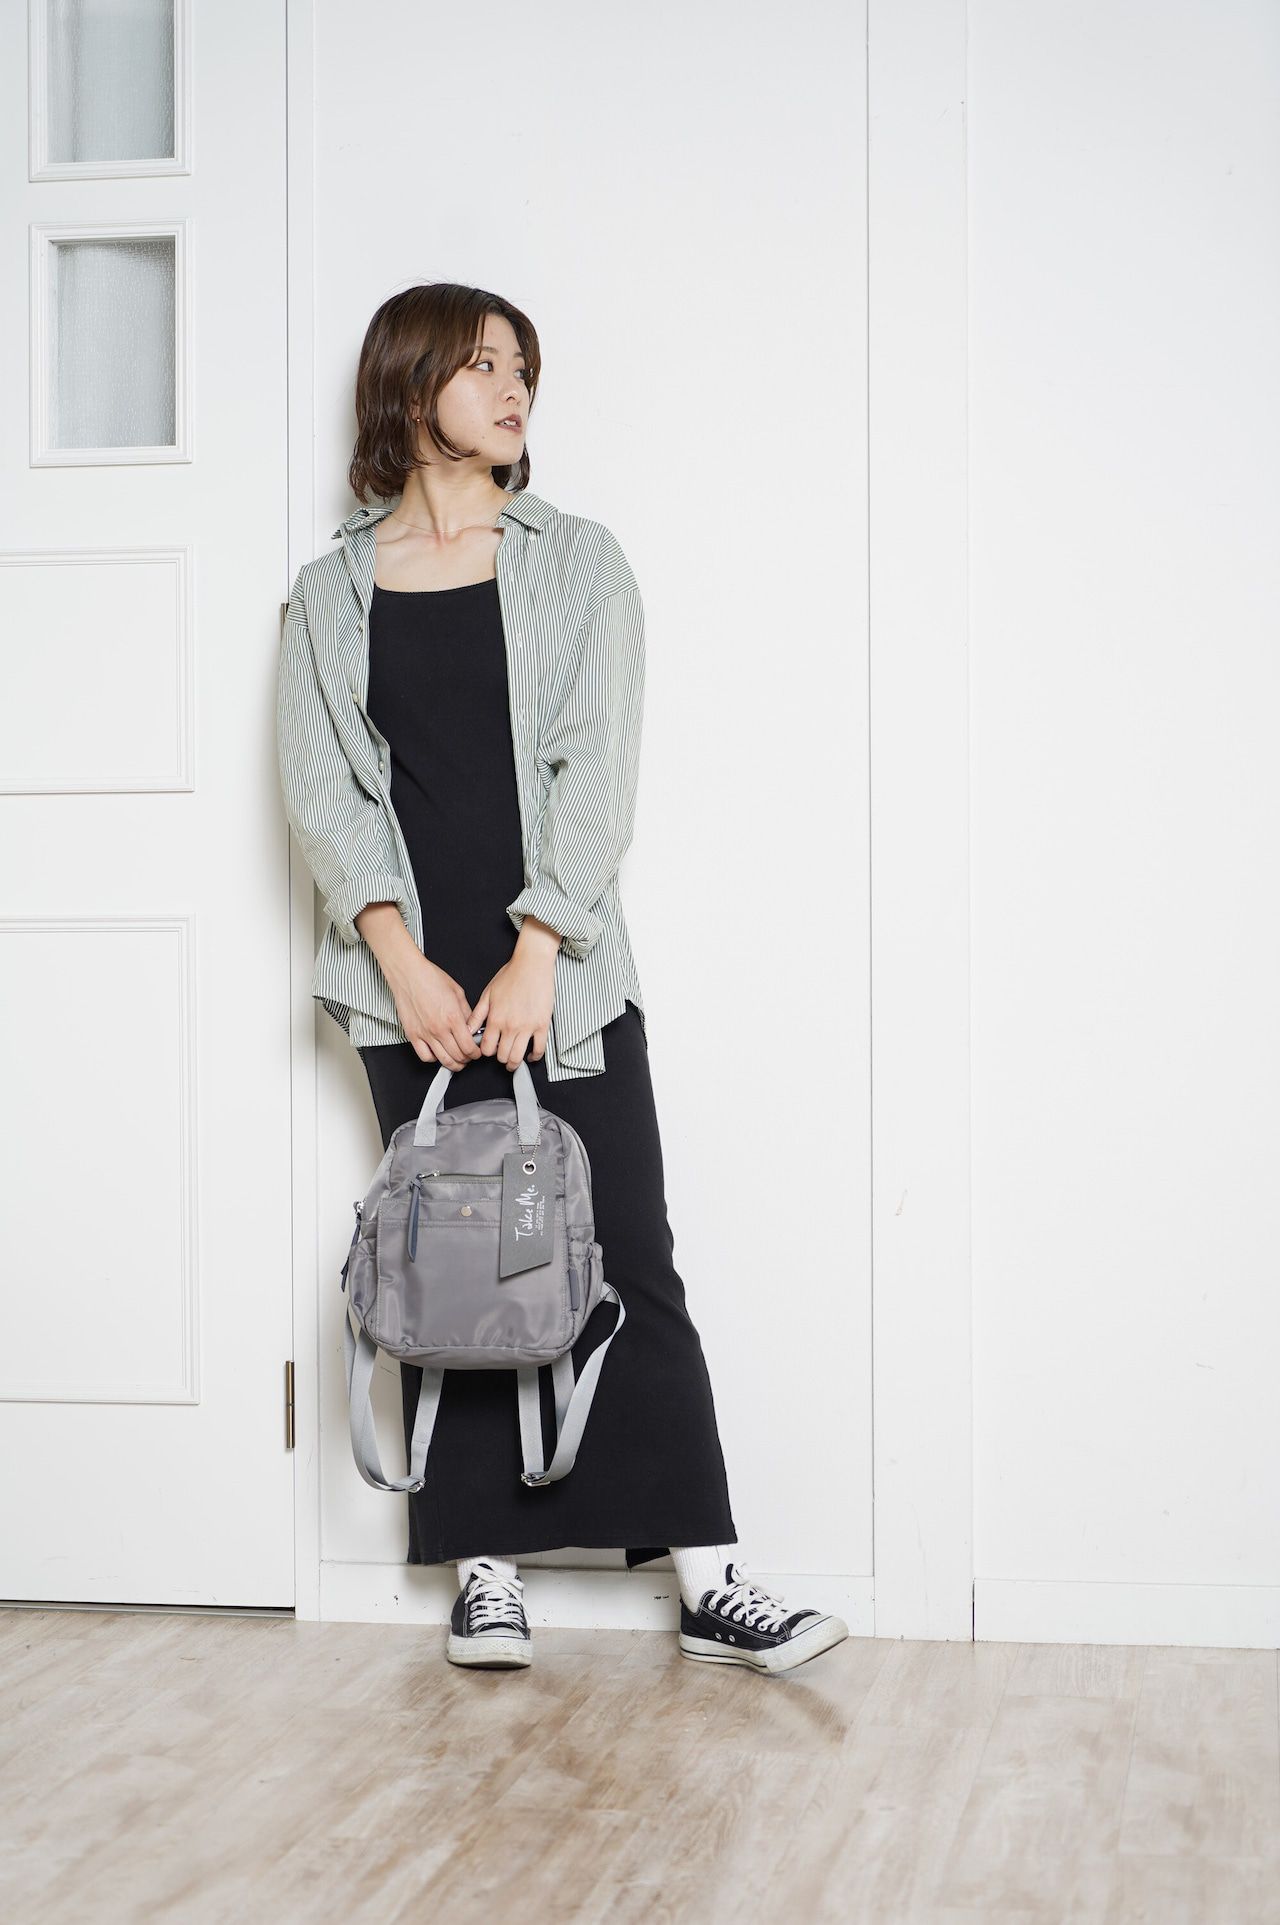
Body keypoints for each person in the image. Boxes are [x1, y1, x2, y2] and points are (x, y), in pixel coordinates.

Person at [277, 280, 849, 1675]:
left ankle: (710, 1578)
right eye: (482, 365)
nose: (514, 388)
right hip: (409, 987)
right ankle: (486, 1573)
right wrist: (402, 964)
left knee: (624, 1255)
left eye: (523, 368)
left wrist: (537, 951)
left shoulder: (581, 562)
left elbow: (600, 768)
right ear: (410, 384)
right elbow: (322, 792)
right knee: (453, 1270)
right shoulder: (329, 592)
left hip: (564, 976)